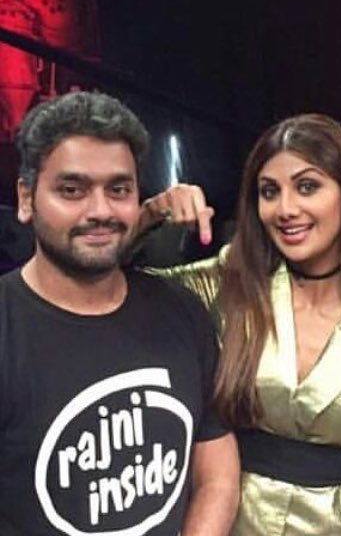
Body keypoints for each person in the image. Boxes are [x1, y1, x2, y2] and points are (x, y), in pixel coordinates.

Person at [140, 113, 341, 535]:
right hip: (231, 515)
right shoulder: (231, 281)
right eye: (269, 192)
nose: (286, 209)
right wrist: (152, 218)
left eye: (307, 187)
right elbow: (121, 288)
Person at [0, 91, 239, 535]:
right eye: (72, 190)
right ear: (27, 198)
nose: (101, 211)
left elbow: (216, 475)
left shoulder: (182, 312)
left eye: (119, 189)